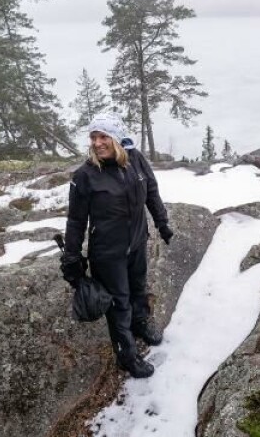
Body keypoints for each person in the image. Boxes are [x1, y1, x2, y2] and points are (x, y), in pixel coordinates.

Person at [61, 113, 174, 378]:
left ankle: (141, 324)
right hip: (107, 255)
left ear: (117, 138)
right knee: (119, 303)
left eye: (103, 137)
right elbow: (76, 220)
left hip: (136, 244)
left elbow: (152, 192)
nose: (97, 143)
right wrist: (71, 257)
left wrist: (162, 223)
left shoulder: (136, 160)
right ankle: (127, 355)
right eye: (93, 137)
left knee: (138, 289)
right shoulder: (85, 176)